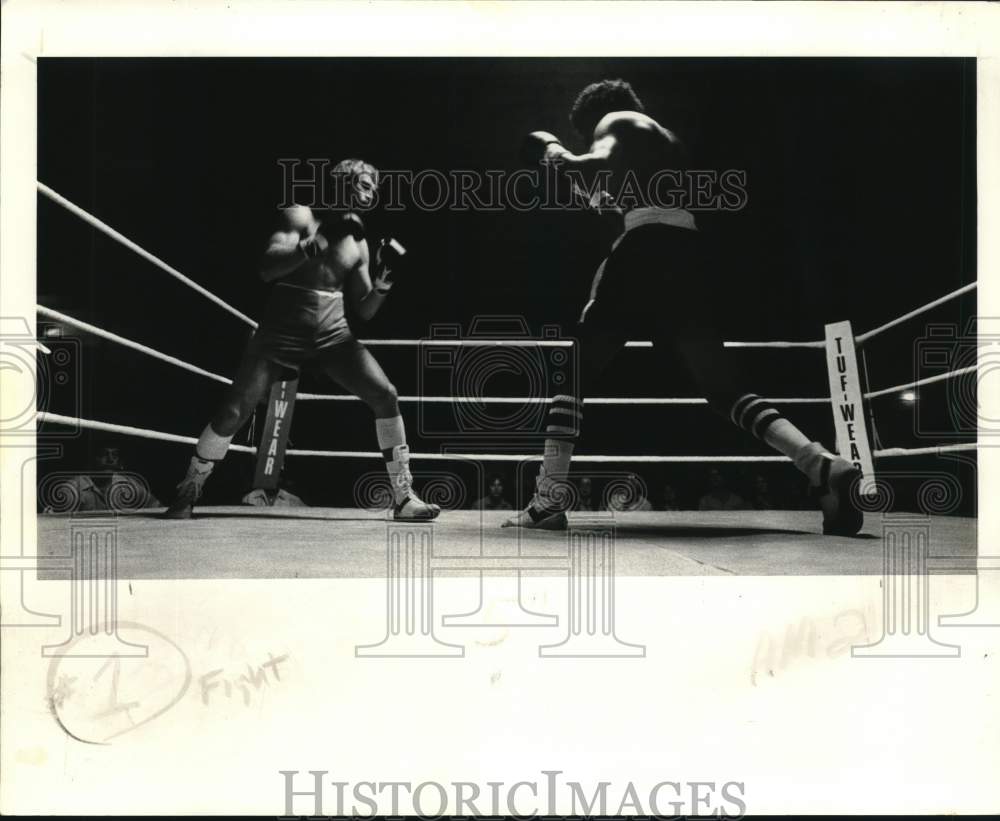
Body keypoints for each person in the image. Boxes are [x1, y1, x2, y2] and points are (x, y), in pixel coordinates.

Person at [504, 79, 862, 535]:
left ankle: (547, 502)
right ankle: (820, 464)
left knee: (571, 373)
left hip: (647, 250)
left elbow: (598, 164)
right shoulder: (663, 141)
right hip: (687, 256)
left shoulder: (617, 119)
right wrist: (596, 190)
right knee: (723, 389)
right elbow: (625, 192)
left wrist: (559, 155)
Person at [164, 159, 440, 520]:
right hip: (282, 326)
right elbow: (267, 268)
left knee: (385, 394)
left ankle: (404, 498)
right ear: (343, 182)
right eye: (367, 184)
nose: (373, 192)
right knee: (233, 412)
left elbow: (365, 308)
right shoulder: (300, 215)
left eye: (375, 186)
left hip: (332, 332)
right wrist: (317, 243)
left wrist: (386, 280)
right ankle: (188, 490)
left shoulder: (359, 242)